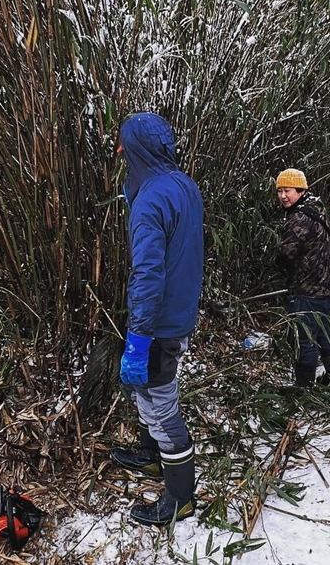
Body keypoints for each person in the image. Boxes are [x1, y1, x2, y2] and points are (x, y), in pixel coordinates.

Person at [110, 113, 204, 526]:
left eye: (123, 149)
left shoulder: (150, 200)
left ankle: (180, 499)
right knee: (145, 393)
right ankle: (152, 456)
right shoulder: (184, 185)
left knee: (161, 407)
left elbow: (148, 273)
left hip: (159, 323)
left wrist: (139, 338)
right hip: (179, 312)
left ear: (134, 151)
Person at [274, 168, 330, 388]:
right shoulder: (316, 208)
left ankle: (303, 389)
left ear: (301, 191)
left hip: (308, 289)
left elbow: (287, 253)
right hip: (328, 286)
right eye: (280, 191)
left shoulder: (299, 218)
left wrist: (279, 266)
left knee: (304, 339)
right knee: (323, 332)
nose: (283, 196)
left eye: (288, 191)